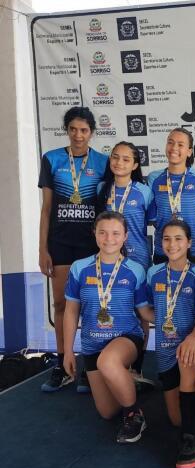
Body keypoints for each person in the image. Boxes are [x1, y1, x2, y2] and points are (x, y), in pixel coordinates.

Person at [63, 211, 152, 443]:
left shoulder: (135, 270)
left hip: (126, 338)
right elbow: (71, 311)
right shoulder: (79, 268)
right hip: (92, 344)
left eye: (115, 233)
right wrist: (68, 351)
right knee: (107, 412)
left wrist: (182, 322)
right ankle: (125, 380)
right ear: (95, 234)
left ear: (125, 237)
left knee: (108, 362)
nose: (109, 238)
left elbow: (144, 312)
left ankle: (135, 415)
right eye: (102, 232)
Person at [38, 106, 109, 393]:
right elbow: (46, 210)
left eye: (84, 130)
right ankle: (62, 363)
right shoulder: (52, 159)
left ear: (91, 132)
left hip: (91, 244)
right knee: (61, 305)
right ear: (66, 130)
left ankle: (88, 367)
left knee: (92, 305)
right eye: (73, 129)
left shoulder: (103, 162)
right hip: (61, 243)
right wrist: (42, 249)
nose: (78, 135)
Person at [145, 220, 195, 468]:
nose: (172, 244)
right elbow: (147, 310)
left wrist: (191, 338)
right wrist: (161, 321)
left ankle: (189, 442)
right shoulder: (153, 273)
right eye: (167, 239)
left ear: (190, 243)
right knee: (175, 418)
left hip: (193, 346)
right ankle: (194, 404)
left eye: (179, 238)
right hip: (164, 349)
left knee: (186, 358)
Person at [98, 142, 154, 385]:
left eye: (125, 159)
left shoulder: (144, 191)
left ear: (135, 164)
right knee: (113, 308)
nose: (119, 163)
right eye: (115, 157)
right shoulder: (102, 188)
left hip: (137, 259)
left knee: (140, 311)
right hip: (108, 260)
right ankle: (111, 363)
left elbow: (154, 223)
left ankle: (137, 368)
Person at [148, 128, 195, 266]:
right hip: (164, 250)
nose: (174, 147)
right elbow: (152, 218)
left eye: (180, 144)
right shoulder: (153, 178)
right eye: (170, 142)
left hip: (194, 250)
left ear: (189, 151)